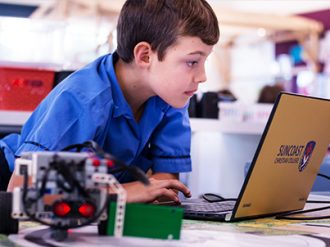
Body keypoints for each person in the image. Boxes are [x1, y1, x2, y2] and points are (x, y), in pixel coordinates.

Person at [1, 0, 220, 203]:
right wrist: (123, 191)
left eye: (204, 61)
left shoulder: (169, 96)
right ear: (145, 55)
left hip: (88, 200)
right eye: (192, 62)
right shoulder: (82, 100)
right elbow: (21, 190)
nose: (203, 76)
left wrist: (141, 191)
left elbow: (164, 185)